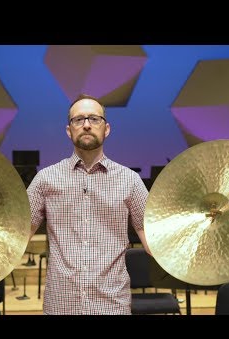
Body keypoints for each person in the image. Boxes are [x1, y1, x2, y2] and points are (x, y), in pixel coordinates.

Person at [27, 94, 151, 315]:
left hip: (112, 305)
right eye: (78, 119)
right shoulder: (45, 179)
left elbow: (154, 241)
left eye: (94, 119)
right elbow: (15, 235)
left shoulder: (130, 180)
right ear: (69, 130)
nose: (86, 125)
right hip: (61, 305)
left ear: (107, 128)